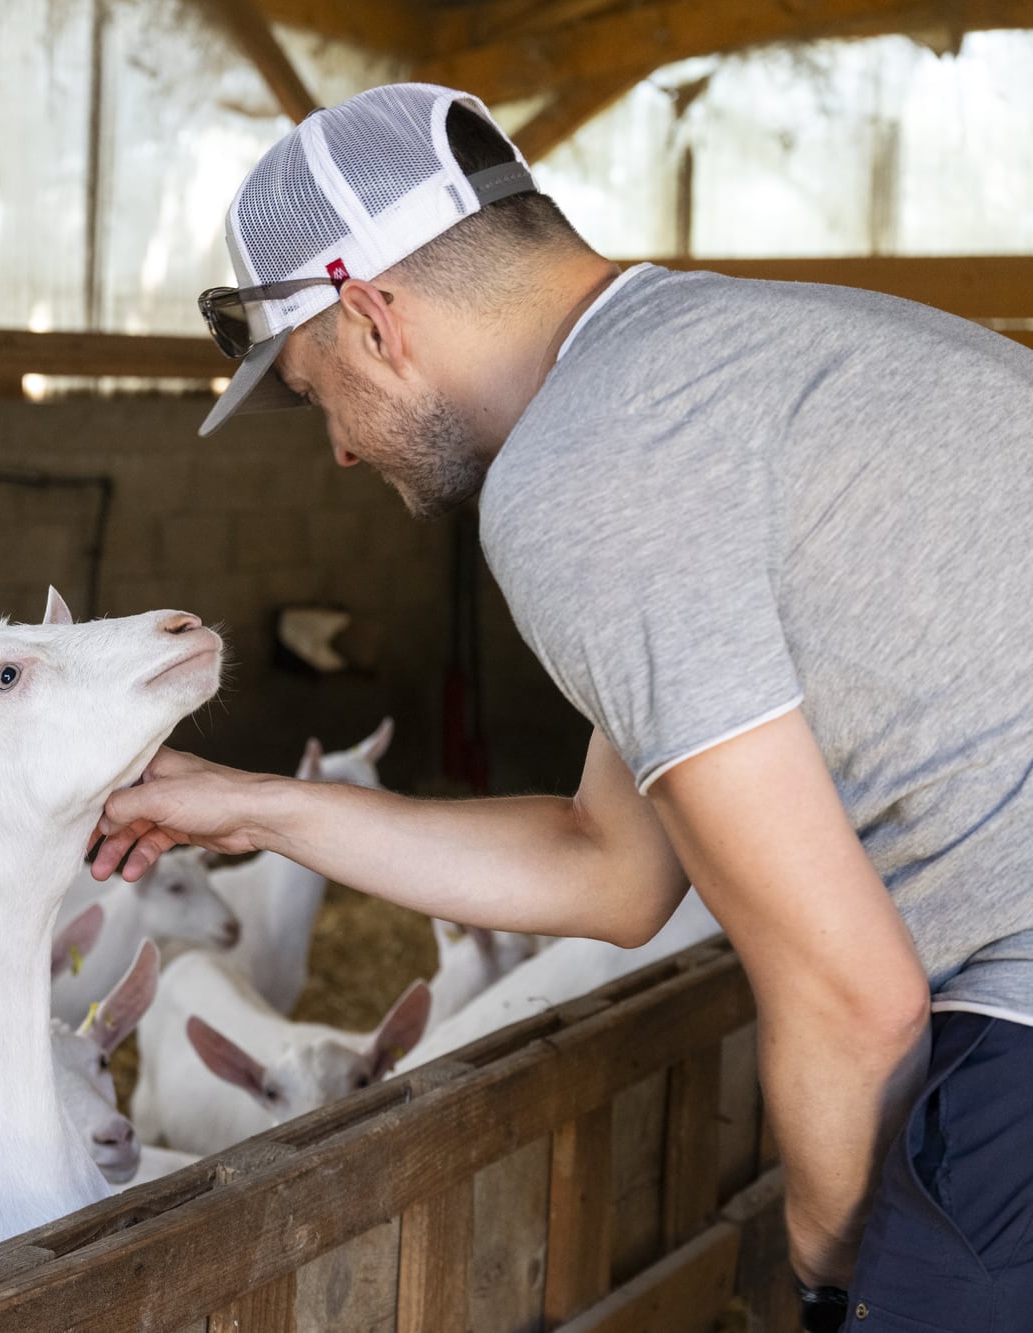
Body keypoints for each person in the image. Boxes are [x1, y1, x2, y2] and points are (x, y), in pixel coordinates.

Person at [89, 83, 1033, 1331]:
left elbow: (852, 996)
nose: (337, 452)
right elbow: (612, 872)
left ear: (372, 318)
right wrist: (255, 806)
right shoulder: (702, 370)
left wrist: (827, 1276)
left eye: (316, 394)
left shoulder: (585, 472)